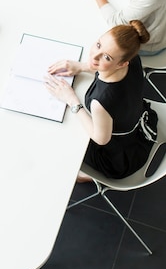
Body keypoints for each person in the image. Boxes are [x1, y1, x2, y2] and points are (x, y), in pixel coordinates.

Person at [44, 21, 155, 181]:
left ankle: (86, 176)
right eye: (98, 45)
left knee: (61, 138)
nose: (94, 56)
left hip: (118, 156)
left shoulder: (100, 102)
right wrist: (81, 67)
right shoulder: (134, 60)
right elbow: (107, 68)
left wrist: (72, 100)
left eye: (106, 57)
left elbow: (101, 139)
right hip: (137, 119)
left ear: (122, 63)